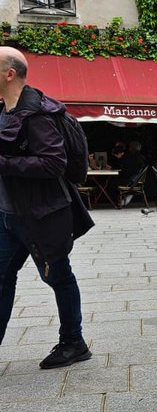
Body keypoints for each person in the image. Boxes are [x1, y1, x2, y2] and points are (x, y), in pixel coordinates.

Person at [0, 47, 94, 369]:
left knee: (58, 276)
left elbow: (54, 163)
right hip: (9, 217)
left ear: (9, 73)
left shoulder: (37, 114)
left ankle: (73, 342)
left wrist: (3, 163)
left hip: (40, 215)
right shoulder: (3, 111)